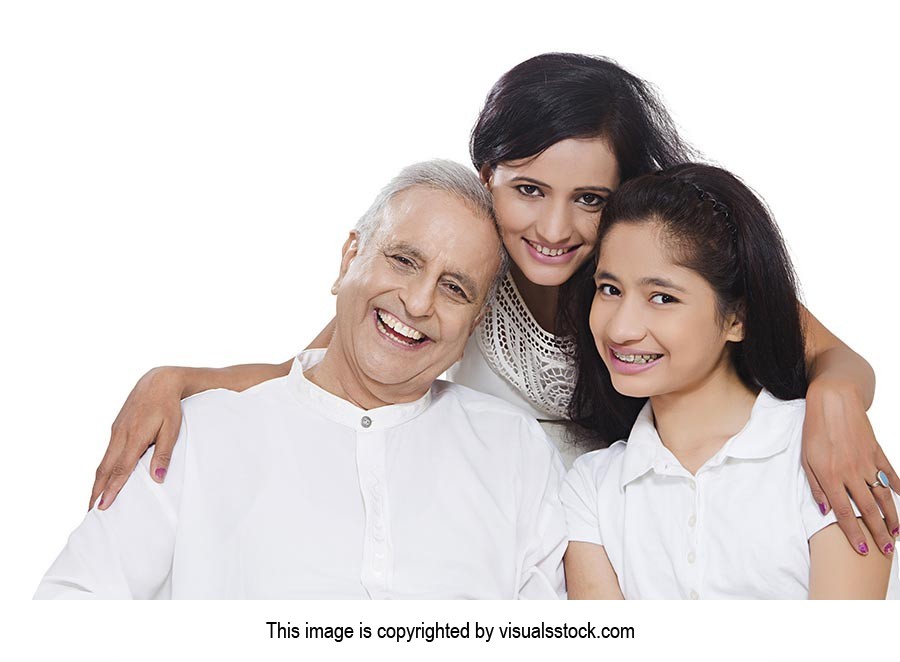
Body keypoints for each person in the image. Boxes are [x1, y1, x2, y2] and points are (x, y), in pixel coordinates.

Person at [90, 53, 898, 557]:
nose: (553, 229)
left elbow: (826, 351)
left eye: (588, 198)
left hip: (630, 537)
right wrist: (180, 377)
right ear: (487, 175)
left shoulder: (647, 275)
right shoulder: (454, 272)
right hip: (483, 552)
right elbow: (319, 374)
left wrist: (832, 399)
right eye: (527, 190)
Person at [35, 160, 568, 599]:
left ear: (475, 321)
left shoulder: (515, 450)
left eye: (455, 289)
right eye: (404, 261)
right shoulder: (197, 435)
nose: (418, 302)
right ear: (349, 257)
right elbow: (69, 611)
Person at [560, 164, 896, 599]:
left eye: (662, 298)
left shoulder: (825, 451)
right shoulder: (593, 487)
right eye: (609, 289)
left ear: (736, 318)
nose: (621, 328)